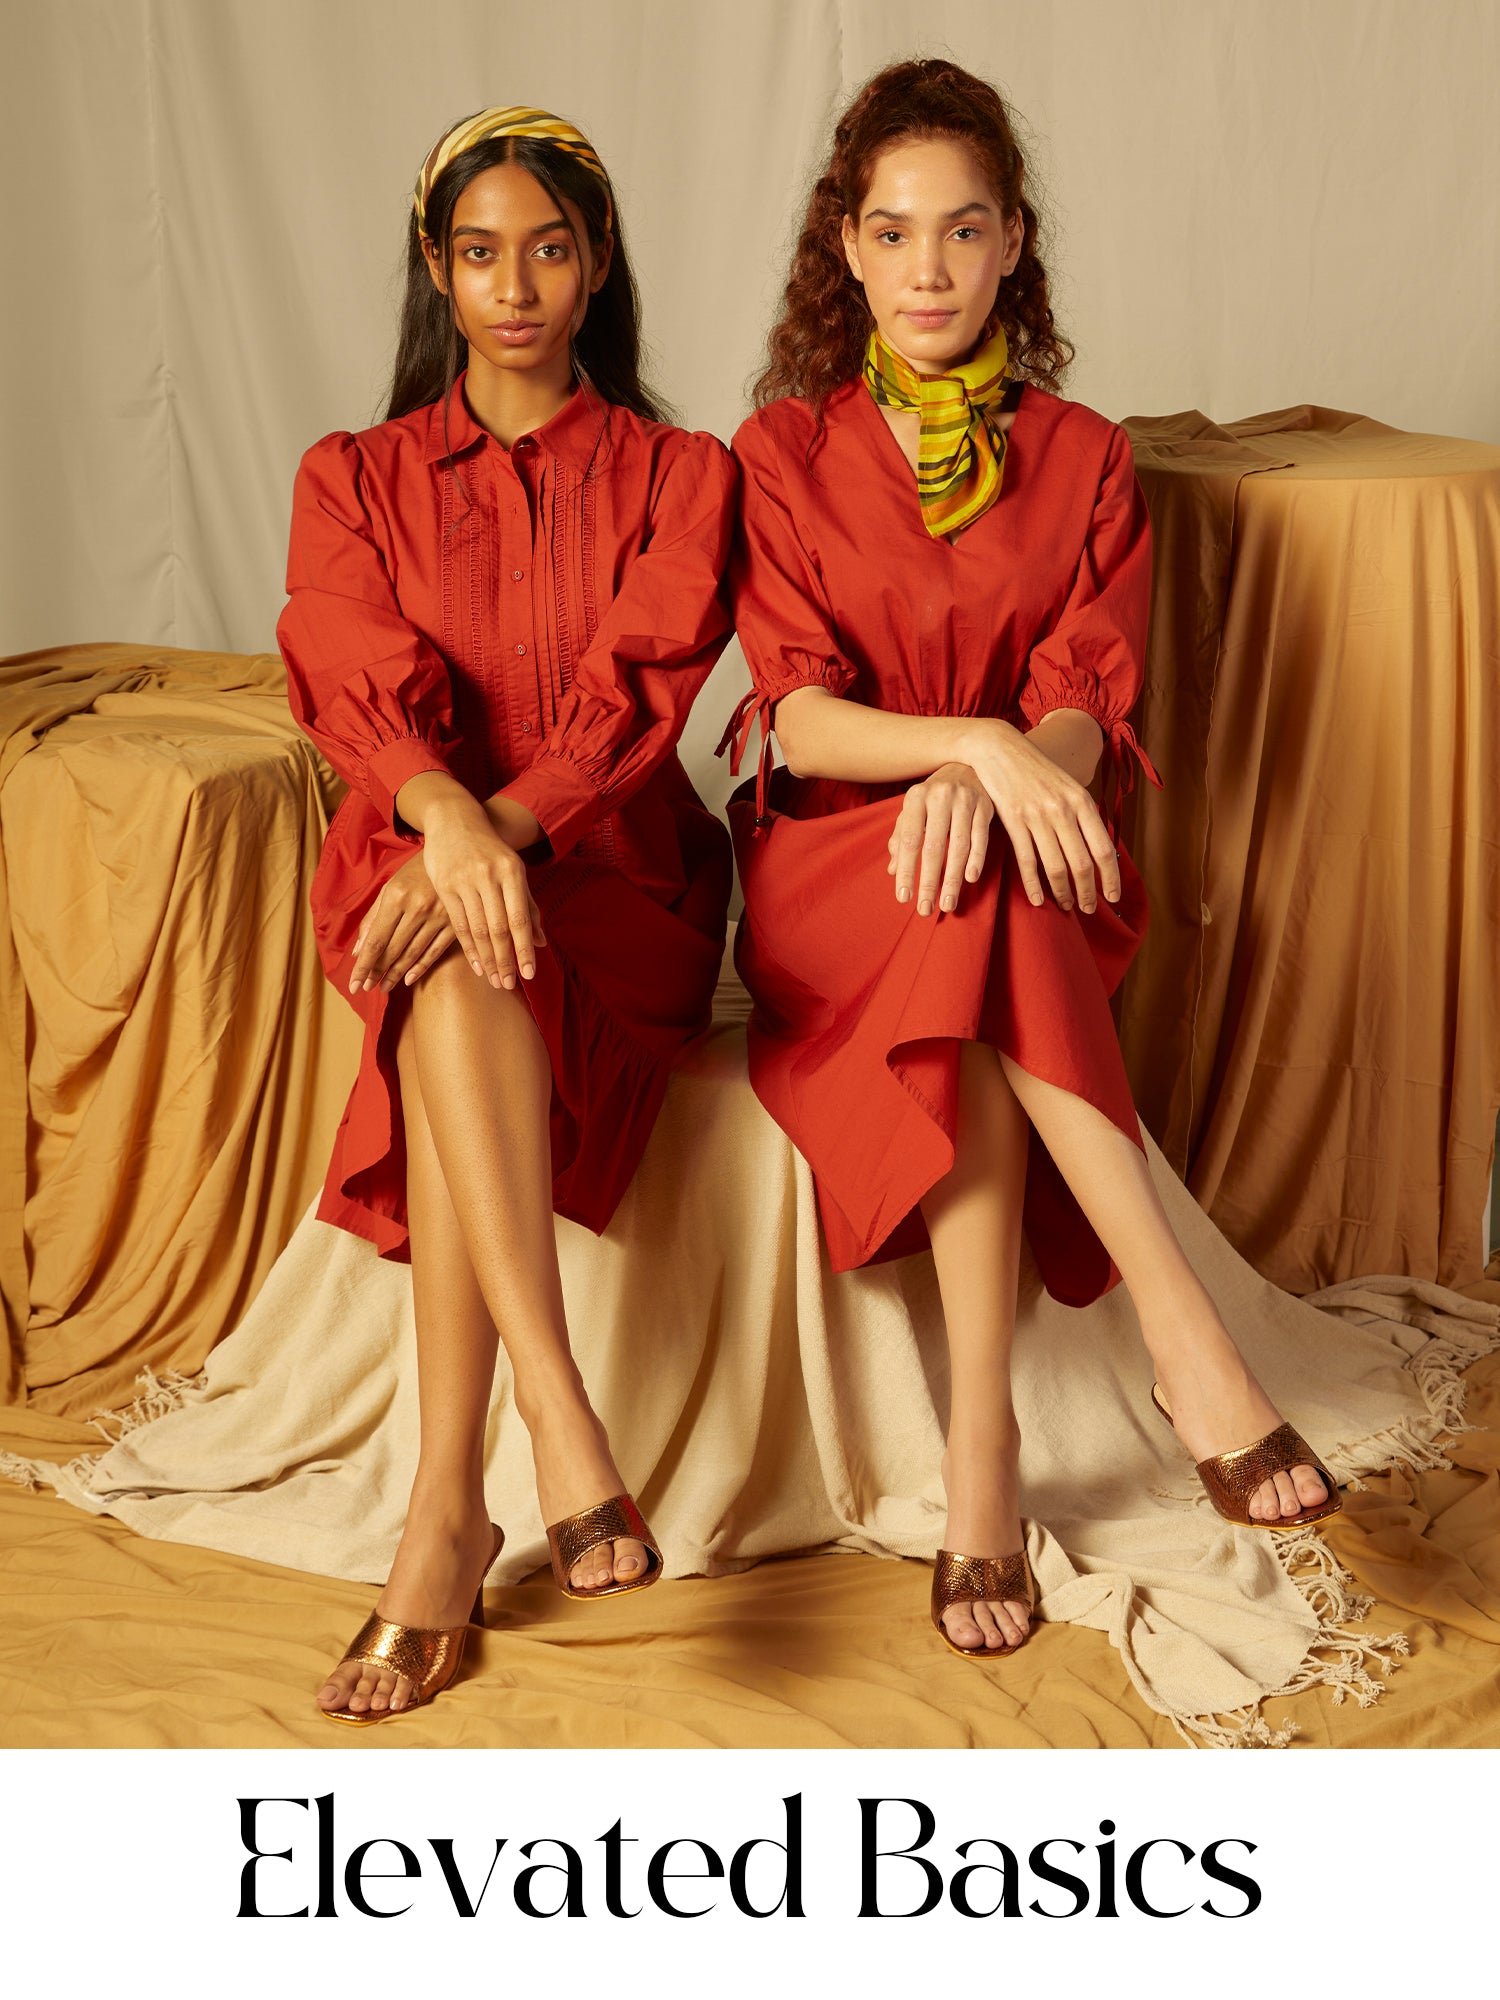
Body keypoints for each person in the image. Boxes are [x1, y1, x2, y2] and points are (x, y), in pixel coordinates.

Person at [718, 59, 1340, 1663]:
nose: (928, 268)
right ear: (846, 248)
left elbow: (1085, 706)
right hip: (832, 863)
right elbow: (796, 717)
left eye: (963, 229)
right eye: (893, 231)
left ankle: (981, 1456)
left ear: (1013, 245)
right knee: (963, 883)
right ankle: (1187, 1344)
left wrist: (1003, 771)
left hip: (1015, 853)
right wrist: (970, 749)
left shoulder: (1084, 457)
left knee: (976, 890)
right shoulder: (780, 453)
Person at [278, 106, 735, 1722]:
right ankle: (545, 1426)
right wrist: (447, 820)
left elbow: (640, 695)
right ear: (437, 269)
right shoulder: (351, 477)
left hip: (616, 876)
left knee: (461, 940)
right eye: (481, 254)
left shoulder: (684, 474)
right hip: (423, 855)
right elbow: (353, 672)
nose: (517, 287)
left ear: (598, 263)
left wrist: (489, 835)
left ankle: (449, 1516)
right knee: (460, 961)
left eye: (549, 249)